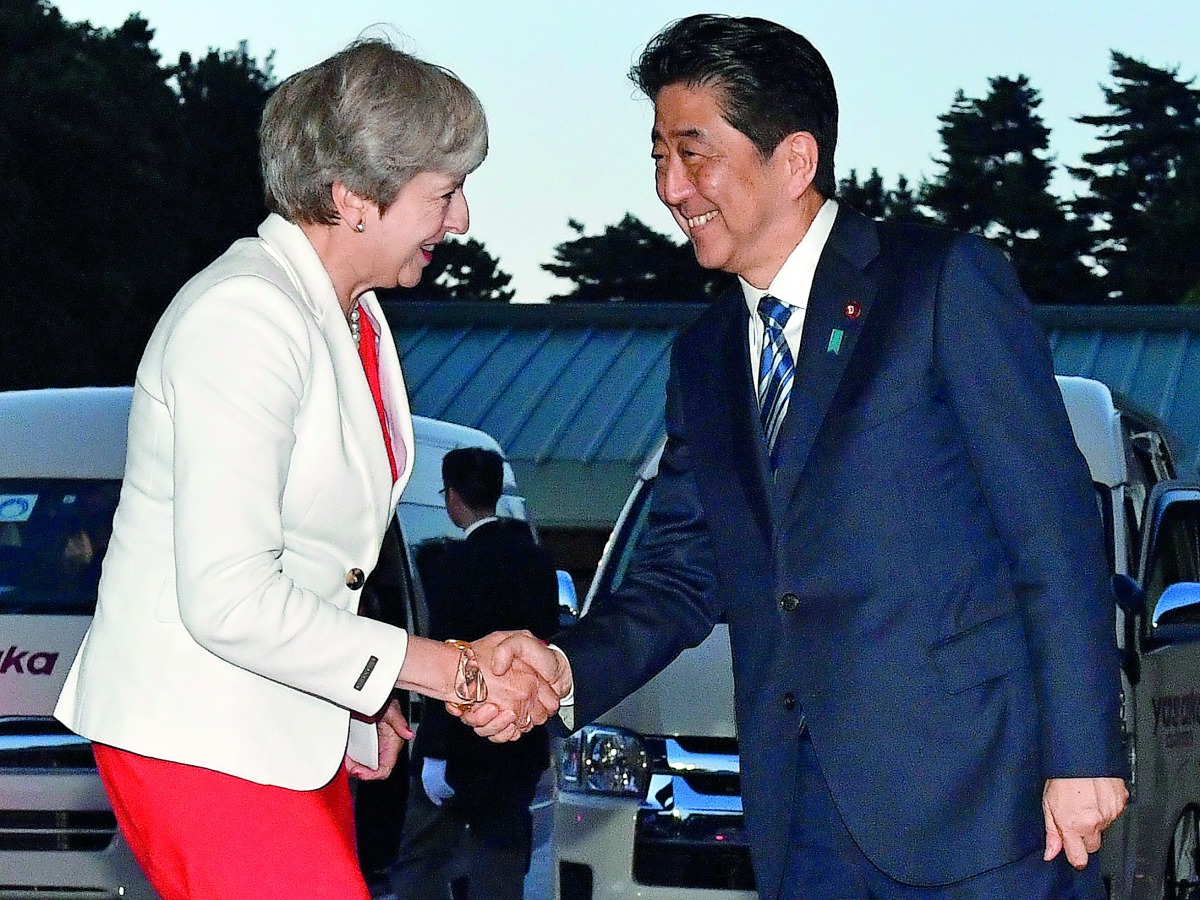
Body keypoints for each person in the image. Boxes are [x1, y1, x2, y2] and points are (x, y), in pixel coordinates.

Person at [465, 14, 1129, 900]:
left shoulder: (938, 285)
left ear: (795, 160)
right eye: (657, 155)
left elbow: (1051, 530)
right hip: (798, 819)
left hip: (983, 805)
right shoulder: (703, 355)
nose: (670, 187)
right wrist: (566, 668)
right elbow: (679, 575)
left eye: (693, 154)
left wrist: (1082, 752)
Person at [53, 39, 556, 900]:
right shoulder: (245, 317)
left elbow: (319, 564)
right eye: (444, 192)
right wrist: (449, 669)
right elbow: (231, 597)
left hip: (275, 731)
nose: (462, 218)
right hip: (198, 740)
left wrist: (360, 709)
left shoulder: (347, 315)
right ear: (353, 199)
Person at [391, 447, 559, 900]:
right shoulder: (536, 561)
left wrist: (437, 752)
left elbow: (447, 660)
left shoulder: (453, 565)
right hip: (520, 739)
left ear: (455, 498)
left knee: (421, 861)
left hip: (462, 740)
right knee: (500, 861)